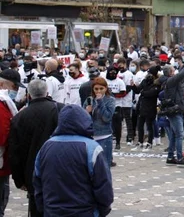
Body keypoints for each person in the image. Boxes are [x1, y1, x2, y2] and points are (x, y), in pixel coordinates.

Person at [33, 104, 113, 217]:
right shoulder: (91, 148)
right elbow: (103, 184)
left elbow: (38, 180)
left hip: (53, 211)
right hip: (84, 211)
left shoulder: (46, 146)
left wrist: (43, 206)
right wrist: (103, 209)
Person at [9, 79, 63, 216]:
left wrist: (19, 179)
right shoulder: (61, 110)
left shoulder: (20, 117)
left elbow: (14, 152)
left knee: (36, 208)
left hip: (32, 173)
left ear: (29, 95)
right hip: (59, 170)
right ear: (47, 92)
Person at [161, 56, 184, 166]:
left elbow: (180, 73)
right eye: (173, 70)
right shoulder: (171, 81)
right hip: (175, 111)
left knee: (173, 134)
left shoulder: (172, 81)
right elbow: (181, 74)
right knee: (180, 135)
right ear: (170, 73)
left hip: (176, 110)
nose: (175, 72)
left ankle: (171, 156)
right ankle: (180, 158)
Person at [85, 77, 117, 168]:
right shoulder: (89, 100)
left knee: (104, 165)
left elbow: (107, 118)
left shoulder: (110, 100)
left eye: (101, 88)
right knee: (91, 165)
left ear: (106, 88)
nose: (98, 91)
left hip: (105, 136)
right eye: (96, 89)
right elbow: (84, 119)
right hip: (91, 136)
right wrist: (87, 112)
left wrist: (100, 102)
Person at [0, 71, 18, 215]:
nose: (15, 91)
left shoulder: (6, 103)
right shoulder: (2, 105)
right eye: (14, 87)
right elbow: (3, 135)